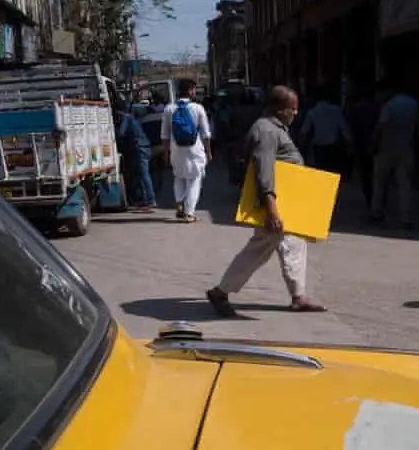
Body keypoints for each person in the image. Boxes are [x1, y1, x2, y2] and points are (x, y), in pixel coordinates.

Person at [206, 85, 327, 316]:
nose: (295, 113)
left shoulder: (273, 127)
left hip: (286, 202)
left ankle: (298, 296)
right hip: (276, 203)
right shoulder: (267, 130)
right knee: (259, 249)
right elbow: (264, 170)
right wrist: (272, 209)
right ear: (280, 109)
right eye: (293, 109)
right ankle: (221, 292)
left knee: (293, 244)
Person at [161, 78, 212, 223]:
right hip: (194, 149)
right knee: (195, 179)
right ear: (190, 91)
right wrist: (209, 152)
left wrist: (166, 153)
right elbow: (206, 134)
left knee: (179, 177)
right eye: (194, 89)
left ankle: (179, 203)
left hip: (176, 149)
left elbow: (164, 135)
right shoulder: (198, 108)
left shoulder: (169, 109)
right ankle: (189, 213)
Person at [370, 80, 419, 228]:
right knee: (404, 184)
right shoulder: (413, 104)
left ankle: (376, 212)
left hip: (386, 147)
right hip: (406, 146)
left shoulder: (389, 105)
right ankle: (406, 217)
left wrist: (373, 144)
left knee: (379, 182)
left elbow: (381, 126)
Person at [346, 82, 385, 209]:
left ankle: (370, 198)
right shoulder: (379, 108)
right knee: (379, 174)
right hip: (378, 144)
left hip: (361, 144)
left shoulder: (355, 109)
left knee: (365, 174)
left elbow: (350, 127)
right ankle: (379, 199)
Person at [300, 86, 352, 174]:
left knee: (320, 172)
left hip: (318, 147)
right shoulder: (336, 110)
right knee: (332, 171)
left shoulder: (312, 111)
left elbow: (304, 131)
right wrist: (349, 144)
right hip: (333, 146)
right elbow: (344, 130)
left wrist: (302, 147)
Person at [116, 110, 157, 211]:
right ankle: (144, 200)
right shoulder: (134, 119)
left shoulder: (126, 118)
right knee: (140, 175)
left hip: (139, 148)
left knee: (143, 175)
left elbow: (121, 134)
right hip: (145, 147)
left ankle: (150, 200)